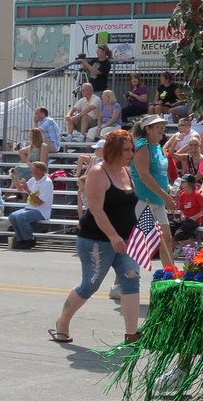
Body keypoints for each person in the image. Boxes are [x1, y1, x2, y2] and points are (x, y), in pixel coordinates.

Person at [51, 130, 141, 344]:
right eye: (126, 150)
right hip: (97, 240)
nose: (130, 153)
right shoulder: (98, 172)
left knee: (132, 280)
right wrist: (113, 236)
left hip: (125, 240)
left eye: (131, 149)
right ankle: (62, 322)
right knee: (90, 285)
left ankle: (131, 334)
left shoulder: (126, 171)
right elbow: (96, 209)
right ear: (114, 150)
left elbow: (130, 205)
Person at [130, 115, 176, 269]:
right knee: (142, 244)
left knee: (166, 240)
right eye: (158, 126)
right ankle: (122, 281)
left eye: (163, 126)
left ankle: (171, 276)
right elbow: (144, 175)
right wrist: (166, 196)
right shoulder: (143, 145)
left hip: (158, 201)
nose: (162, 129)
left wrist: (166, 192)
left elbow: (160, 173)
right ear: (147, 129)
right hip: (144, 201)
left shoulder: (157, 146)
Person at [8, 162, 54, 250]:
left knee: (21, 217)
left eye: (32, 169)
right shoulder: (33, 179)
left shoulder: (47, 182)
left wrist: (28, 191)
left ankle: (29, 239)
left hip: (41, 211)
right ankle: (20, 240)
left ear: (40, 171)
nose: (30, 170)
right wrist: (15, 177)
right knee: (12, 216)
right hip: (30, 208)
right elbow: (20, 189)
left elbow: (40, 202)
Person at [169, 174, 203, 248]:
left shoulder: (197, 195)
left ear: (190, 184)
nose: (182, 184)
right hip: (185, 219)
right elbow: (181, 209)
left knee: (179, 235)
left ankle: (196, 248)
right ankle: (178, 248)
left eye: (184, 182)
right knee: (170, 226)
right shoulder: (183, 195)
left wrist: (194, 217)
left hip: (193, 221)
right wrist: (182, 214)